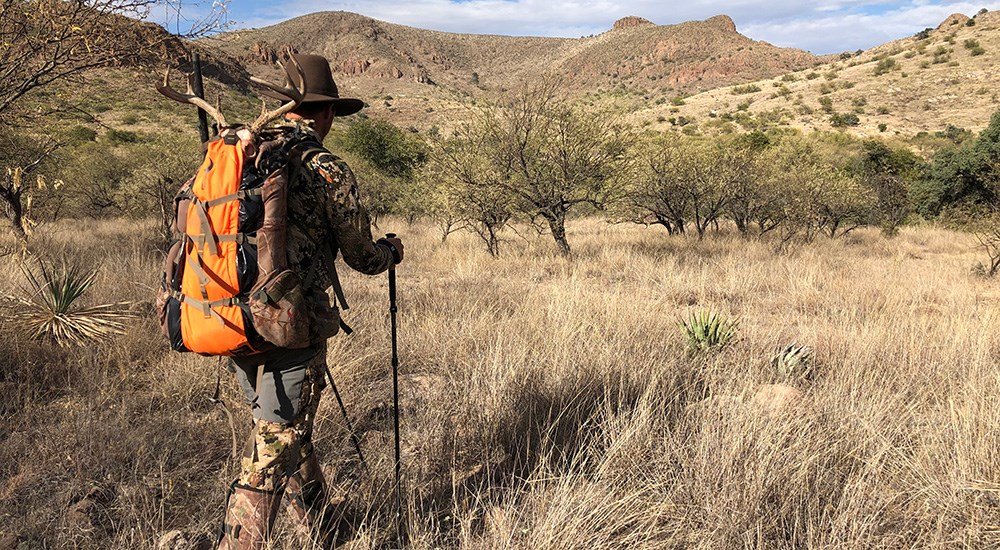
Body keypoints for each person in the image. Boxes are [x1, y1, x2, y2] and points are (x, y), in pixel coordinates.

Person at [217, 53, 404, 550]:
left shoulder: (241, 157)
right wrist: (389, 251)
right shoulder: (325, 168)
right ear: (323, 113)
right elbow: (362, 257)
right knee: (272, 448)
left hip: (232, 319)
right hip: (288, 322)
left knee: (283, 427)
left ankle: (321, 528)